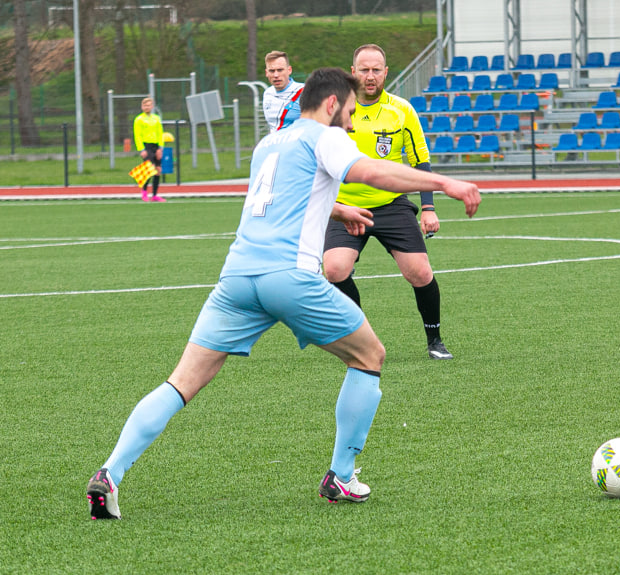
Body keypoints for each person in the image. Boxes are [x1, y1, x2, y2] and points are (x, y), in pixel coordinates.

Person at [84, 67, 480, 520]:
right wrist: (443, 183)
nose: (351, 123)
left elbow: (278, 197)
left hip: (236, 278)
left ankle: (110, 473)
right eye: (349, 113)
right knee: (369, 356)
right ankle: (341, 476)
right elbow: (371, 171)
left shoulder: (270, 142)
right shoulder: (326, 136)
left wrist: (338, 207)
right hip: (288, 277)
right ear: (332, 104)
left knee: (182, 381)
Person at [323, 43, 451, 361]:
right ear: (352, 72)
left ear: (385, 73)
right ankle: (359, 337)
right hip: (344, 208)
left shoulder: (402, 110)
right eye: (363, 69)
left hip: (391, 205)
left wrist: (429, 207)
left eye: (376, 69)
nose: (370, 76)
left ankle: (434, 339)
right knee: (335, 270)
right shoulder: (333, 111)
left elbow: (421, 161)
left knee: (419, 273)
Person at [262, 51, 305, 133]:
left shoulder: (303, 91)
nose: (276, 75)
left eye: (280, 70)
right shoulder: (268, 93)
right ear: (266, 73)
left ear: (289, 70)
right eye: (272, 71)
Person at [133, 97, 165, 202]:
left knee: (158, 170)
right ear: (142, 107)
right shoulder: (139, 119)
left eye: (149, 105)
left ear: (152, 106)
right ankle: (144, 192)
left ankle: (155, 195)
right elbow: (137, 135)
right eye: (145, 105)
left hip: (156, 145)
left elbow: (160, 133)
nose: (147, 107)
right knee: (149, 169)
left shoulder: (156, 118)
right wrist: (141, 149)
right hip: (146, 146)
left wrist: (160, 148)